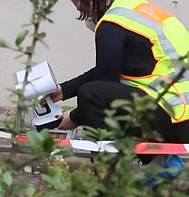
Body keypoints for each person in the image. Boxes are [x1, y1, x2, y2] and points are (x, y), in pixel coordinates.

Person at [48, 0, 189, 175]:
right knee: (102, 94)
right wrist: (63, 91)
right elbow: (113, 67)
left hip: (172, 116)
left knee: (91, 94)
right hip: (179, 116)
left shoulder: (111, 24)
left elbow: (104, 86)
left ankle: (107, 181)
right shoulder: (136, 12)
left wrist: (72, 118)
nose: (75, 5)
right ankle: (160, 164)